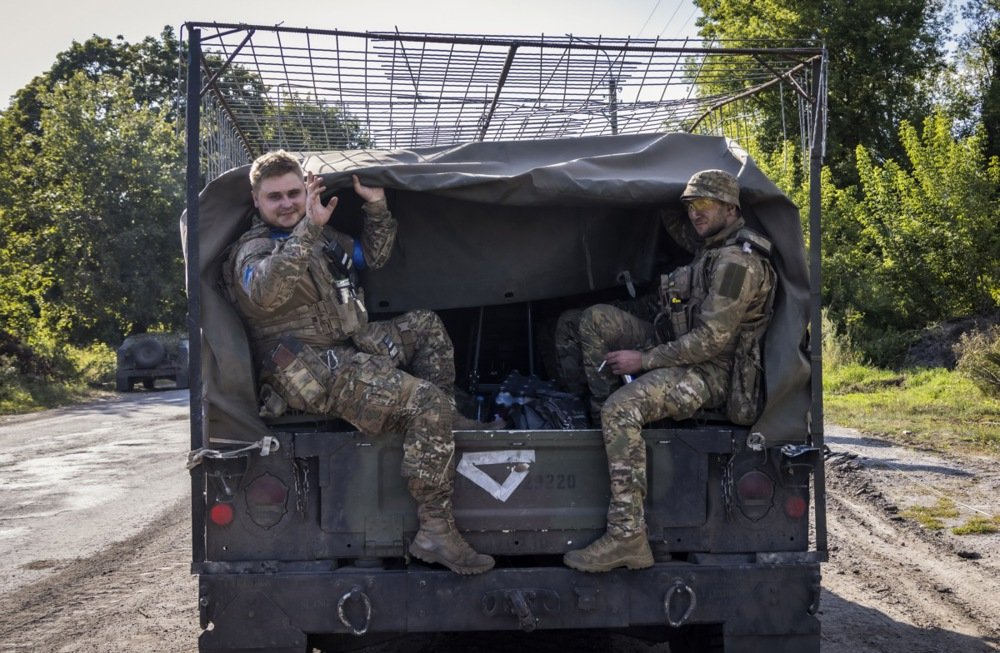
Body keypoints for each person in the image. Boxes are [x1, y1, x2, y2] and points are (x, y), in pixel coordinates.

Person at [226, 150, 494, 575]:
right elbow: (265, 293)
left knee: (426, 326)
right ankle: (436, 531)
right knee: (425, 402)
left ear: (306, 189)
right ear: (256, 200)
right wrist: (310, 229)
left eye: (294, 193)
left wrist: (375, 205)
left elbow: (374, 256)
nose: (287, 204)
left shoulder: (321, 237)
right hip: (306, 370)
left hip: (351, 345)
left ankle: (439, 429)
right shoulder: (252, 249)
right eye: (274, 196)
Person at [562, 169, 776, 573]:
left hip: (712, 374)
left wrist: (643, 361)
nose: (695, 214)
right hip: (679, 351)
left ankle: (628, 536)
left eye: (704, 205)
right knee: (590, 321)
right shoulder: (711, 245)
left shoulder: (736, 264)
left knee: (621, 409)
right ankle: (602, 432)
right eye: (691, 206)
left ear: (730, 208)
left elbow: (711, 341)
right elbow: (677, 223)